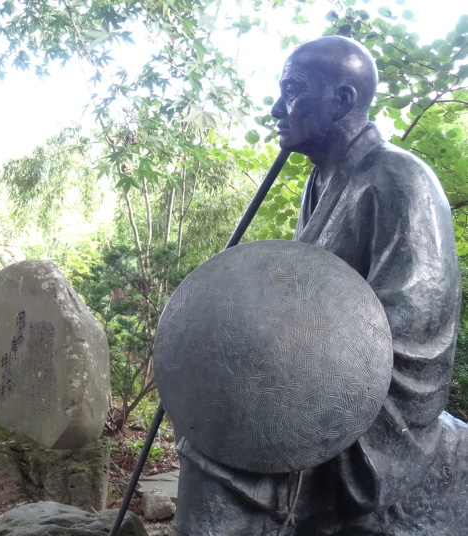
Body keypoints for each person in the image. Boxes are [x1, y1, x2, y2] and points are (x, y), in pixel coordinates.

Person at [173, 36, 461, 535]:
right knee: (211, 423)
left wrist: (296, 361)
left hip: (364, 396)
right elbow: (299, 295)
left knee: (221, 456)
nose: (275, 109)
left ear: (342, 100)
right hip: (308, 375)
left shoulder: (399, 178)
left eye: (292, 92)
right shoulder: (321, 181)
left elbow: (417, 320)